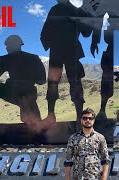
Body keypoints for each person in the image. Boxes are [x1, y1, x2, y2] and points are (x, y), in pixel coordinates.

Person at [41, 0, 96, 128]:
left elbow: (86, 32)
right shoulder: (61, 10)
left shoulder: (75, 10)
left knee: (72, 81)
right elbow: (46, 30)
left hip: (67, 49)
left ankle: (77, 116)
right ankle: (52, 115)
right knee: (58, 82)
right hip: (63, 50)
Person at [0, 35, 46, 133]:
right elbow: (42, 81)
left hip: (13, 93)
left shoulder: (5, 59)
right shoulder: (34, 58)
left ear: (10, 46)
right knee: (35, 123)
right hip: (30, 95)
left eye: (7, 46)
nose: (7, 48)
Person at [64, 108, 110, 180]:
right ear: (81, 120)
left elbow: (105, 159)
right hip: (78, 177)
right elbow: (68, 160)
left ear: (93, 120)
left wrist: (104, 178)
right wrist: (67, 178)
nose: (87, 120)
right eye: (85, 118)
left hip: (94, 177)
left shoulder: (100, 138)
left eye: (90, 118)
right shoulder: (73, 138)